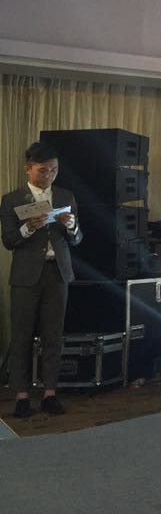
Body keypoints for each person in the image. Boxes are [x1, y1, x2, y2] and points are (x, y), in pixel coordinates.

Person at [1, 141, 83, 418]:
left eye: (54, 170)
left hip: (57, 272)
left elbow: (77, 239)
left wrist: (70, 225)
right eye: (43, 170)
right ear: (28, 169)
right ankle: (21, 395)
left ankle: (50, 393)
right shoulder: (12, 199)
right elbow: (9, 241)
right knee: (21, 336)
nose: (49, 175)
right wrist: (28, 227)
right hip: (26, 275)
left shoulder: (65, 196)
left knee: (53, 335)